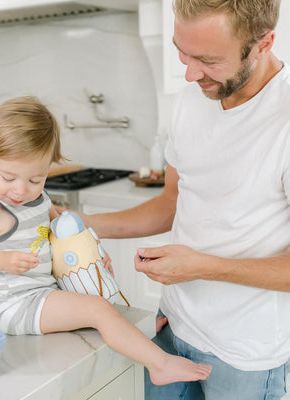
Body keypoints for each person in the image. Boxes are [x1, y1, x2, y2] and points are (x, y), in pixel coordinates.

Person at [74, 0, 290, 398]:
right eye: (181, 52)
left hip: (244, 354)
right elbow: (169, 203)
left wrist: (203, 266)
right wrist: (81, 224)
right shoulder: (192, 99)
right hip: (170, 328)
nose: (190, 74)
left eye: (207, 59)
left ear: (264, 43)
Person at [0, 96, 211, 386]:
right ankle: (158, 364)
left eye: (36, 179)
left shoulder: (38, 199)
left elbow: (66, 227)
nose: (20, 190)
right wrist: (2, 260)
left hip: (43, 290)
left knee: (100, 293)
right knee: (97, 310)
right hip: (16, 306)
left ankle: (139, 336)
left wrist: (93, 251)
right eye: (8, 177)